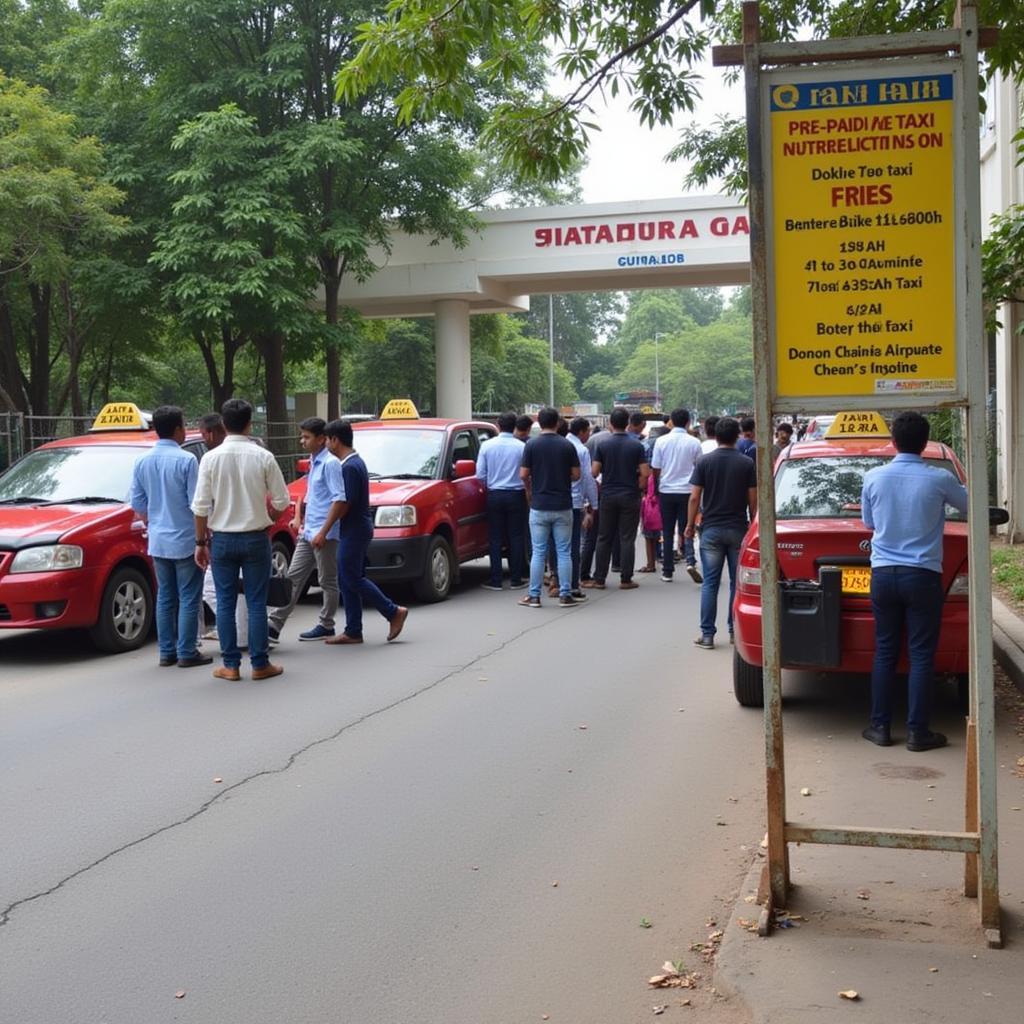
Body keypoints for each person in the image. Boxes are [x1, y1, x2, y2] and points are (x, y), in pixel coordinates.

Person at [860, 411, 968, 751]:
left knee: (885, 651)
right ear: (926, 443)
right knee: (921, 655)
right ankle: (918, 733)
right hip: (922, 575)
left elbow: (868, 522)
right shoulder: (939, 479)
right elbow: (970, 507)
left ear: (893, 441)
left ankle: (879, 727)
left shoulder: (873, 477)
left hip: (882, 574)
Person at [192, 398, 291, 681]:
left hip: (221, 539)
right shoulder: (264, 456)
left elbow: (199, 507)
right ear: (250, 424)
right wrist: (268, 514)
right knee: (257, 602)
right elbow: (283, 499)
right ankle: (260, 664)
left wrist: (200, 543)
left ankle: (231, 665)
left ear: (223, 424)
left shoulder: (210, 459)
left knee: (225, 602)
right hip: (256, 537)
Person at [128, 405, 211, 669]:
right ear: (177, 429)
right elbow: (196, 504)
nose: (185, 431)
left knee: (165, 597)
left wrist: (154, 522)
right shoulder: (187, 461)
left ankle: (166, 651)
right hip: (185, 538)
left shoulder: (142, 461)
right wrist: (202, 539)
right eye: (184, 426)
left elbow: (138, 504)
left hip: (158, 540)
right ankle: (187, 651)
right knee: (188, 597)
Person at [322, 419, 409, 645]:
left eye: (327, 440)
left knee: (352, 577)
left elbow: (344, 503)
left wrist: (325, 527)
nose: (326, 445)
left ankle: (392, 611)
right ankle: (353, 630)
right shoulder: (355, 462)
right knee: (347, 578)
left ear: (335, 440)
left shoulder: (349, 466)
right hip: (356, 528)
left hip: (355, 529)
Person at [267, 417, 342, 642]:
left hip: (324, 534)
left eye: (307, 437)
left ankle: (326, 624)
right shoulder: (314, 461)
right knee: (293, 577)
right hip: (308, 532)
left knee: (327, 580)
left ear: (321, 439)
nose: (302, 441)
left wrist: (323, 532)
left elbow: (339, 500)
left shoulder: (331, 464)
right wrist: (299, 519)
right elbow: (310, 495)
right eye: (302, 436)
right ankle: (274, 625)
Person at [685, 416, 756, 649]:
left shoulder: (704, 462)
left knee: (711, 584)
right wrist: (752, 524)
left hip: (711, 530)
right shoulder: (746, 463)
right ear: (737, 436)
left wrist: (688, 525)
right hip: (737, 529)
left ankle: (707, 635)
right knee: (737, 584)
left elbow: (695, 497)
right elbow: (753, 500)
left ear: (713, 435)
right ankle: (735, 631)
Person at [518, 406, 580, 608]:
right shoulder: (567, 445)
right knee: (564, 551)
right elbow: (577, 475)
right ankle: (565, 593)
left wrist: (533, 485)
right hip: (563, 504)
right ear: (557, 423)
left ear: (539, 422)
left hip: (539, 504)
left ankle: (534, 596)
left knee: (538, 552)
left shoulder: (532, 445)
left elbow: (523, 474)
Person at [585, 406, 650, 590]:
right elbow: (645, 472)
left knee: (604, 537)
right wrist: (639, 485)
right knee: (627, 537)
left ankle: (599, 578)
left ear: (611, 424)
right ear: (627, 423)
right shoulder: (636, 445)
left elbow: (594, 471)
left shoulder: (603, 445)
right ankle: (626, 579)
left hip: (608, 495)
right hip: (630, 495)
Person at [477, 411, 528, 591]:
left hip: (495, 494)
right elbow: (527, 473)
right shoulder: (521, 447)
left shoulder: (487, 446)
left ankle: (496, 579)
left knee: (495, 538)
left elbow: (480, 474)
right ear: (514, 426)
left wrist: (490, 484)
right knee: (516, 536)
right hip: (516, 495)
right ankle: (516, 579)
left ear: (498, 425)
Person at [652, 407, 703, 584]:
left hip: (667, 490)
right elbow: (699, 467)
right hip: (688, 492)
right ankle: (690, 561)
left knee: (667, 531)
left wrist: (660, 483)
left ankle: (667, 570)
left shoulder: (661, 441)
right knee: (687, 527)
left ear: (671, 421)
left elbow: (656, 468)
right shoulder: (694, 442)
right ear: (688, 422)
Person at [566, 417, 598, 598]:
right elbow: (587, 478)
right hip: (574, 502)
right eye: (588, 431)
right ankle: (572, 585)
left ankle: (556, 581)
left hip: (551, 502)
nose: (589, 435)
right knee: (574, 546)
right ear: (582, 431)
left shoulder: (561, 445)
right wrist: (593, 505)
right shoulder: (581, 450)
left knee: (555, 547)